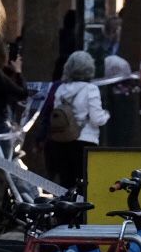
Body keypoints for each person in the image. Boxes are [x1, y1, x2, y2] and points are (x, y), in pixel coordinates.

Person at [46, 51, 110, 191]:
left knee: (66, 184)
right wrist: (106, 114)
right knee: (85, 184)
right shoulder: (91, 89)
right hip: (85, 142)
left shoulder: (60, 89)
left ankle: (66, 212)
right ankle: (82, 212)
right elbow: (97, 119)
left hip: (61, 141)